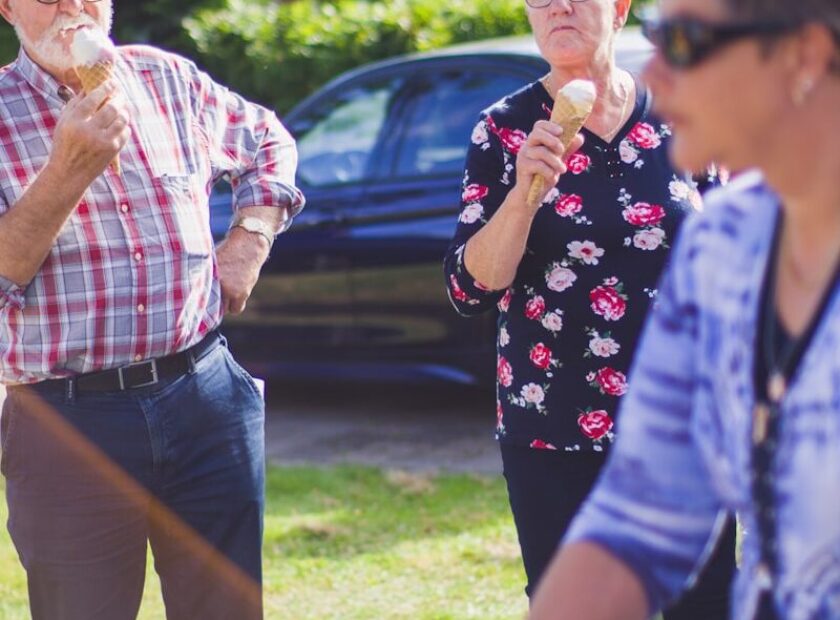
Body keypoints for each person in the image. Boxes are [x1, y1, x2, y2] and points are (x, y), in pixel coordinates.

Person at [528, 0, 840, 618]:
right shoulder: (722, 239)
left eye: (683, 40)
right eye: (654, 36)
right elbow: (640, 518)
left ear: (804, 55)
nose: (655, 76)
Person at [0, 0, 303, 618]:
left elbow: (269, 139)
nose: (69, 6)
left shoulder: (167, 78)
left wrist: (248, 242)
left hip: (207, 393)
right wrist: (65, 169)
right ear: (8, 6)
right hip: (65, 418)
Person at [443, 0, 735, 615]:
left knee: (700, 604)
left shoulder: (687, 112)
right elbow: (471, 291)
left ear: (620, 9)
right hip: (554, 428)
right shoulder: (503, 129)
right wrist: (524, 195)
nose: (559, 8)